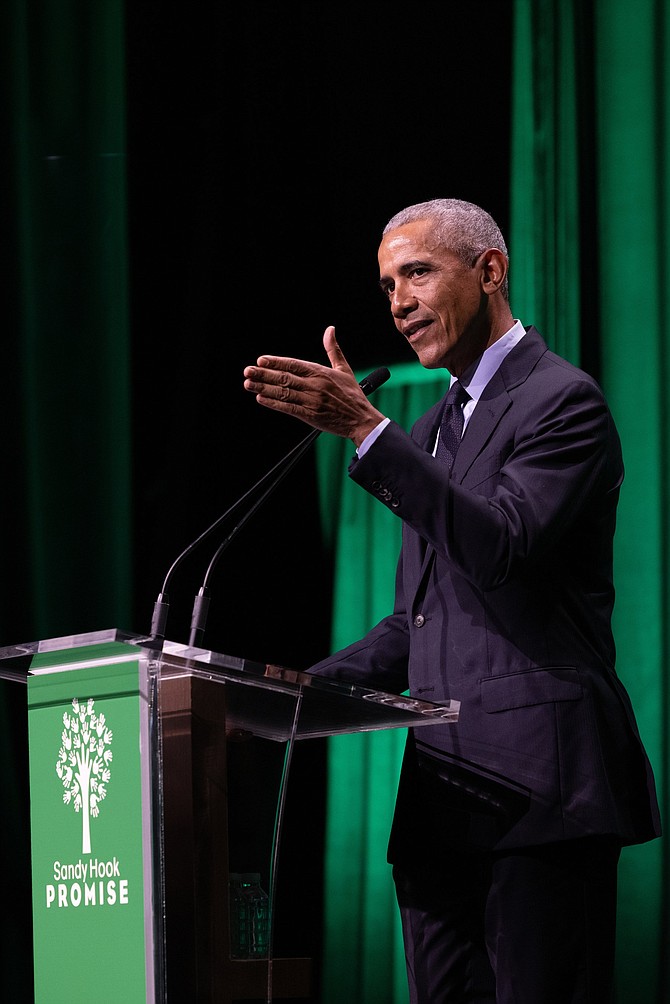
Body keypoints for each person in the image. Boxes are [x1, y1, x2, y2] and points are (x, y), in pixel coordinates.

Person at [243, 198, 661, 1003]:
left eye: (417, 272)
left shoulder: (563, 401)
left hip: (544, 791)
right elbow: (417, 618)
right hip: (444, 800)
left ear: (490, 270)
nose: (397, 301)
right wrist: (285, 691)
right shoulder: (434, 428)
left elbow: (500, 546)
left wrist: (370, 436)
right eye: (386, 285)